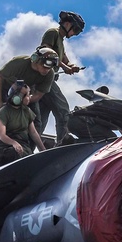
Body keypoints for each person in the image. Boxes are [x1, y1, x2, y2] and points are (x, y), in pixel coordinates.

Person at [0, 47, 59, 154]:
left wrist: (26, 99)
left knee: (36, 122)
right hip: (5, 89)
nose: (47, 70)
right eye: (45, 66)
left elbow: (38, 94)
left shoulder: (49, 74)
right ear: (36, 59)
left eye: (50, 67)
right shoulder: (19, 63)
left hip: (27, 92)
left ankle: (26, 152)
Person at [38, 11, 85, 146]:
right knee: (63, 111)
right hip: (45, 78)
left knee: (41, 117)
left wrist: (71, 66)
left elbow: (63, 57)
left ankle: (28, 148)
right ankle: (63, 144)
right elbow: (46, 53)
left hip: (46, 81)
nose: (75, 34)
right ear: (67, 24)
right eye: (75, 30)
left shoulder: (60, 40)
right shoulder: (53, 33)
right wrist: (65, 67)